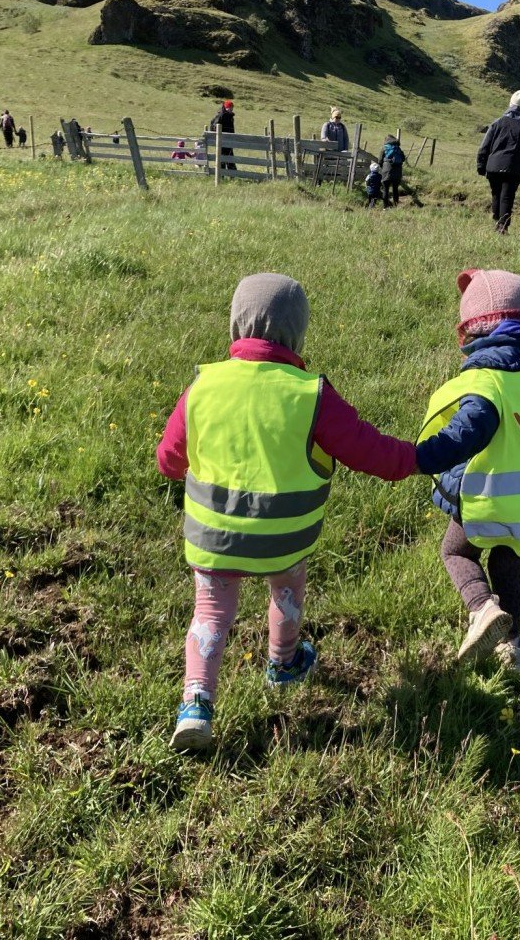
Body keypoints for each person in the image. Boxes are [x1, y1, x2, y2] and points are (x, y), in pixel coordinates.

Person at [156, 273, 420, 750]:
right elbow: (370, 450)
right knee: (285, 589)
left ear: (236, 325)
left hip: (212, 538)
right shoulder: (311, 393)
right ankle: (283, 663)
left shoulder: (204, 386)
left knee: (211, 612)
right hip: (285, 541)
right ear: (298, 333)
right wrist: (415, 458)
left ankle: (195, 702)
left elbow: (168, 461)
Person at [415, 268, 520, 673]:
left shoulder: (487, 381)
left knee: (455, 551)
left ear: (472, 330)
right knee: (509, 566)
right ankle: (513, 647)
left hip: (488, 500)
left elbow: (464, 435)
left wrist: (420, 457)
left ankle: (481, 609)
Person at [476, 90, 520, 234]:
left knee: (496, 194)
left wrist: (481, 165)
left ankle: (497, 223)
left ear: (510, 105)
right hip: (513, 168)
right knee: (506, 197)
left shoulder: (497, 123)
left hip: (493, 166)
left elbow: (484, 146)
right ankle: (502, 227)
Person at [206, 99, 236, 170]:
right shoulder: (221, 115)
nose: (231, 109)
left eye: (232, 107)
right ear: (225, 107)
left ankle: (232, 174)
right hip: (221, 140)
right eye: (229, 107)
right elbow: (215, 126)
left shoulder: (230, 116)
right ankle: (221, 175)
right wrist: (217, 135)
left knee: (229, 157)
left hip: (229, 140)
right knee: (222, 157)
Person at [381, 134, 406, 206]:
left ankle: (385, 207)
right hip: (397, 172)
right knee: (395, 189)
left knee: (385, 189)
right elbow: (403, 159)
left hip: (386, 171)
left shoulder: (385, 148)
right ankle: (395, 205)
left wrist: (383, 166)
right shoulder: (398, 149)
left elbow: (380, 160)